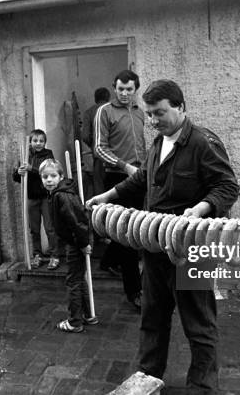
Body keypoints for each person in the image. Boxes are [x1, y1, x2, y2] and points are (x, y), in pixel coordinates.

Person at [86, 79, 238, 393]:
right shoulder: (159, 142)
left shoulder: (202, 143)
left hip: (190, 249)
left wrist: (200, 209)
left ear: (181, 107)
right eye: (150, 114)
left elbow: (227, 186)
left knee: (198, 322)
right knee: (152, 318)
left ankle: (202, 385)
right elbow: (140, 180)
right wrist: (107, 196)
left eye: (160, 113)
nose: (153, 120)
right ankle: (147, 378)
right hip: (155, 249)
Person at [93, 69, 146, 309]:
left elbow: (142, 147)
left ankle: (107, 261)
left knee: (130, 229)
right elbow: (99, 148)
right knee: (128, 234)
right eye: (121, 89)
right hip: (116, 178)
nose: (125, 94)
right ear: (114, 87)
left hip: (138, 177)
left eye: (129, 89)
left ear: (136, 90)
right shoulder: (104, 111)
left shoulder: (140, 113)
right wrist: (125, 167)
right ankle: (135, 292)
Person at [39, 159, 98, 332]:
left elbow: (77, 222)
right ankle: (88, 314)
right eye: (45, 177)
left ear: (61, 176)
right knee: (80, 279)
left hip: (77, 242)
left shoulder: (62, 195)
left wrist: (83, 244)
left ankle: (74, 322)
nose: (49, 180)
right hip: (76, 240)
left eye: (53, 176)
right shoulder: (58, 193)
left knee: (73, 281)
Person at [13, 129, 60, 270]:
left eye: (41, 141)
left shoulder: (48, 154)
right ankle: (37, 255)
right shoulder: (24, 155)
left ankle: (54, 256)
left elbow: (47, 173)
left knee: (49, 228)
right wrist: (18, 172)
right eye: (35, 140)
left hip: (46, 196)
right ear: (30, 142)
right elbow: (16, 177)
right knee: (34, 229)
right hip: (31, 197)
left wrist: (31, 168)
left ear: (45, 143)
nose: (38, 143)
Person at [82, 87, 111, 197]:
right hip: (116, 157)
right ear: (108, 98)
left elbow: (85, 136)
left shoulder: (89, 112)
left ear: (95, 99)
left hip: (99, 157)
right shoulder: (113, 111)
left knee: (99, 192)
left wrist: (93, 144)